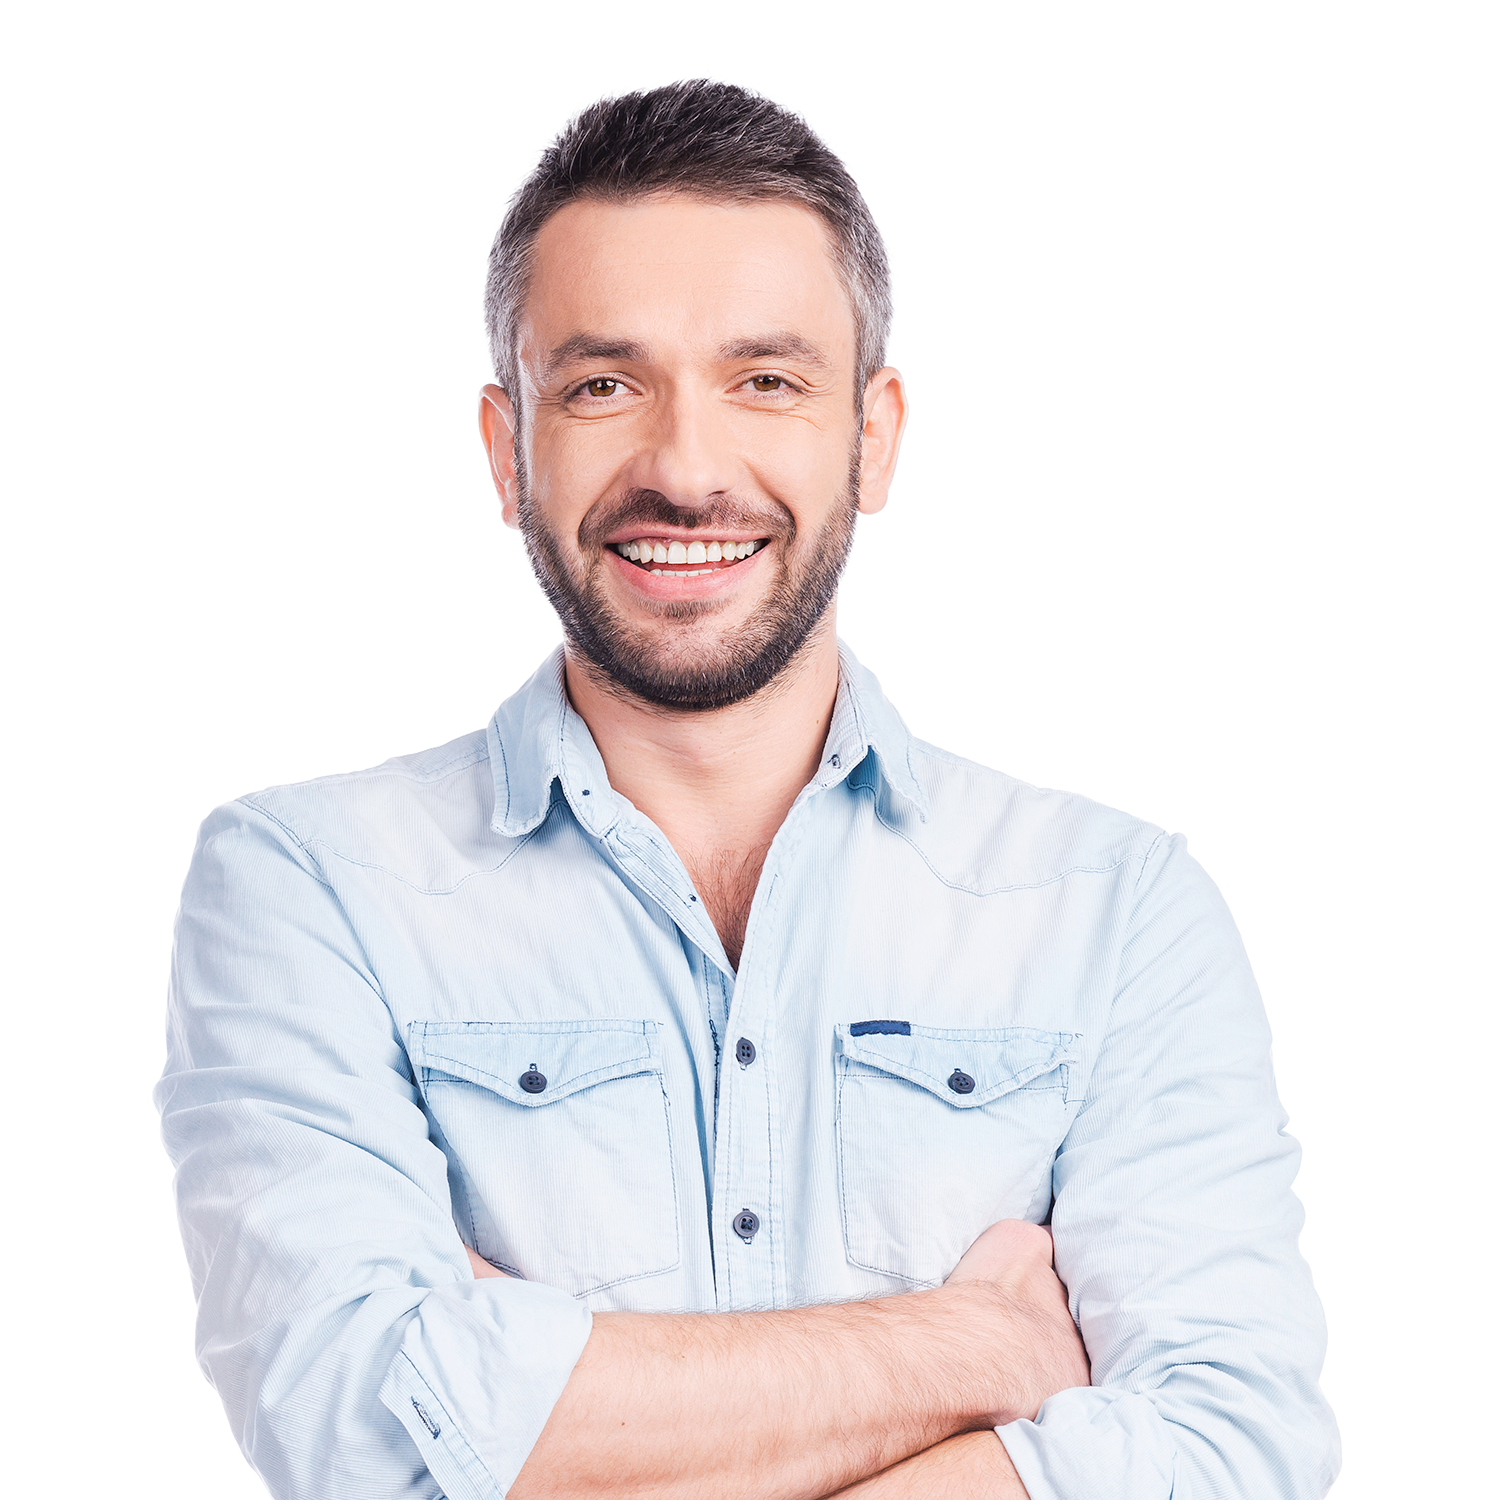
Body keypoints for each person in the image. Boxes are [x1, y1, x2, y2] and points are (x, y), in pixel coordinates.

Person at [156, 80, 1339, 1500]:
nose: (686, 466)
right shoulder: (306, 889)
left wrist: (543, 1411)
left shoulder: (1118, 912)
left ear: (875, 435)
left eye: (765, 380)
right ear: (503, 447)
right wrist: (970, 1348)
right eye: (602, 384)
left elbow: (1232, 1452)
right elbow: (359, 1432)